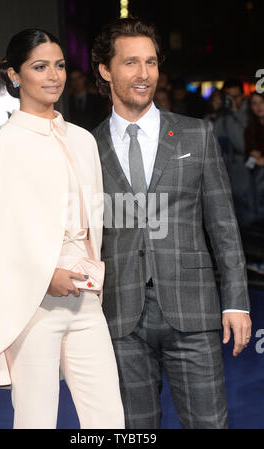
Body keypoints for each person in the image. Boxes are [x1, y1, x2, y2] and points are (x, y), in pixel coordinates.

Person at [91, 17, 251, 429]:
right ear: (106, 71)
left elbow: (223, 227)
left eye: (151, 62)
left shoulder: (196, 135)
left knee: (209, 423)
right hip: (119, 315)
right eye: (130, 63)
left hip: (193, 310)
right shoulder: (87, 147)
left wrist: (235, 301)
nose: (144, 74)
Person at [0, 28, 124, 429]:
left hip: (87, 301)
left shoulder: (83, 139)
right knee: (36, 419)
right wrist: (44, 276)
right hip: (34, 306)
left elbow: (93, 225)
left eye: (59, 65)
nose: (53, 75)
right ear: (15, 75)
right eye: (40, 66)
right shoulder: (4, 143)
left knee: (109, 420)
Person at [213, 79, 253, 227]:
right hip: (226, 163)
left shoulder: (250, 112)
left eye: (235, 96)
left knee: (245, 204)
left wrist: (234, 113)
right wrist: (217, 112)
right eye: (228, 97)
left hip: (243, 164)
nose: (231, 100)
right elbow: (214, 137)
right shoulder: (223, 113)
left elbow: (242, 144)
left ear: (243, 96)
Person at [244, 91, 264, 275]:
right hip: (257, 177)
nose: (258, 107)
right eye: (254, 103)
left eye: (261, 102)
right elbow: (249, 153)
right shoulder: (251, 127)